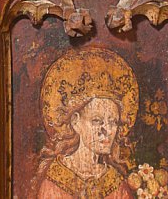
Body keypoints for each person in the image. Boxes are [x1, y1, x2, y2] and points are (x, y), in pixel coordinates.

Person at [34, 47, 139, 199]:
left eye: (113, 122)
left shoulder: (115, 183)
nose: (107, 130)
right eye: (97, 121)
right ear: (76, 122)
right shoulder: (55, 180)